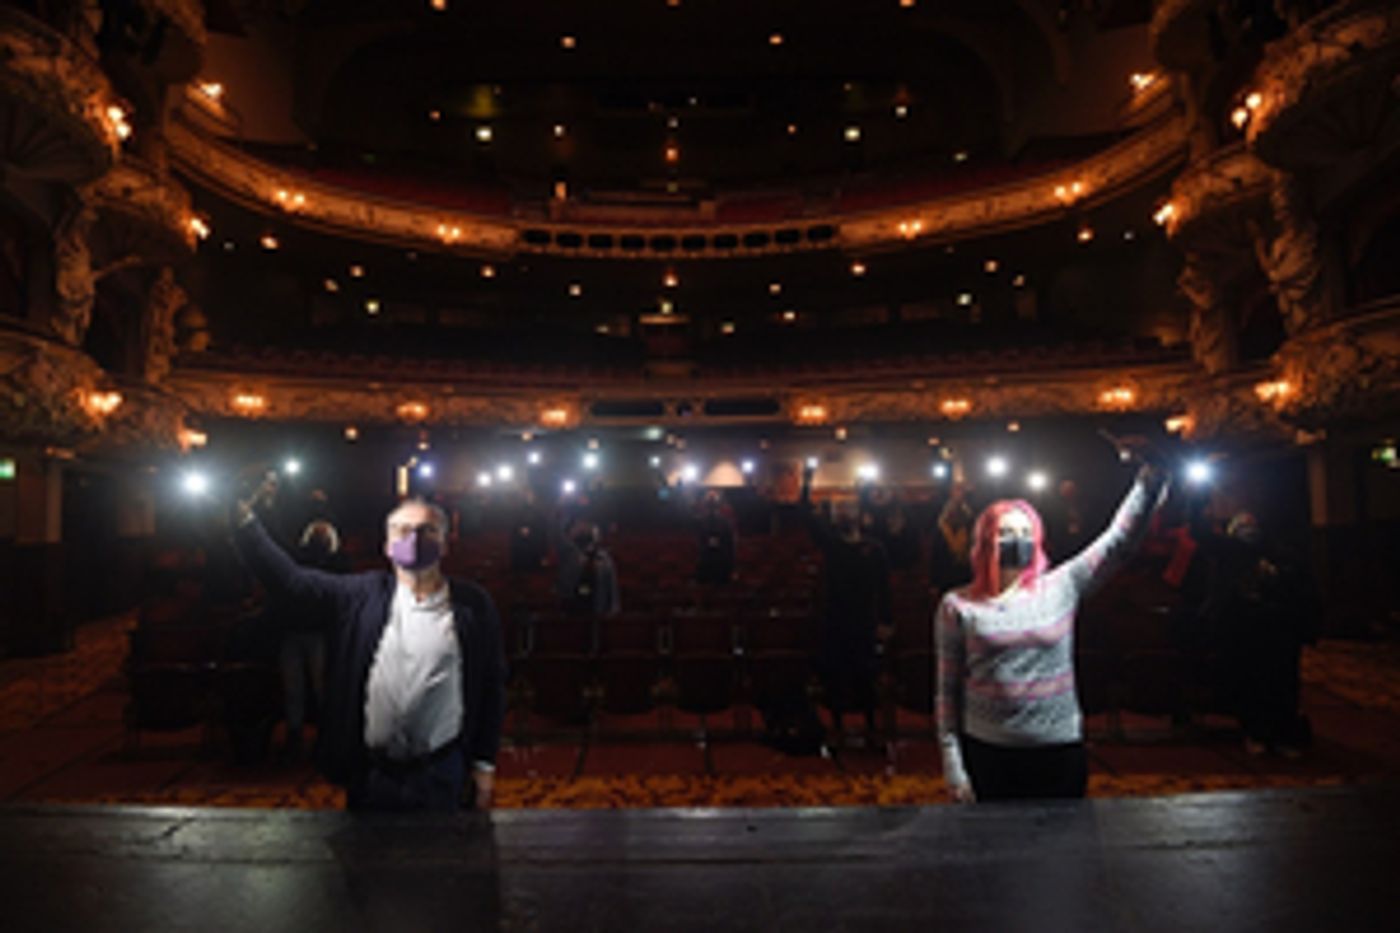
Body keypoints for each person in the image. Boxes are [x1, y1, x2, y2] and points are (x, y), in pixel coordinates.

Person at [232, 482, 505, 812]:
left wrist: (485, 763)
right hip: (371, 771)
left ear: (445, 544)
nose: (414, 538)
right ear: (388, 546)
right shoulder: (360, 594)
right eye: (403, 530)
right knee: (364, 861)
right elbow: (291, 582)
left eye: (427, 530)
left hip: (442, 769)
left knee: (440, 861)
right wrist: (245, 522)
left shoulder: (473, 604)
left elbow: (491, 684)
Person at [936, 435, 1170, 802]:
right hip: (988, 750)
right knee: (991, 855)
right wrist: (953, 766)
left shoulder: (1062, 586)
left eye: (1026, 533)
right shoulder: (957, 605)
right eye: (1007, 534)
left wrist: (1150, 479)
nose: (1018, 540)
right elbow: (946, 692)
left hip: (1058, 748)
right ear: (985, 543)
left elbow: (1119, 541)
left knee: (1063, 854)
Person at [1200, 511, 1318, 756]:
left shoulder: (1281, 555)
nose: (1249, 530)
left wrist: (1305, 628)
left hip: (1279, 630)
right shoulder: (1230, 553)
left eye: (1252, 525)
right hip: (1246, 632)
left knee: (1282, 686)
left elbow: (1303, 593)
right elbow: (1200, 534)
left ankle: (1283, 735)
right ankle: (1257, 733)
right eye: (1242, 526)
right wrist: (1197, 498)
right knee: (1252, 685)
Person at [800, 465, 894, 743]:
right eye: (841, 511)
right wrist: (807, 482)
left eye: (850, 510)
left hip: (864, 620)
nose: (846, 514)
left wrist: (886, 621)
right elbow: (806, 516)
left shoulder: (875, 548)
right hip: (836, 620)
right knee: (837, 674)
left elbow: (884, 589)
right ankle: (838, 725)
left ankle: (870, 725)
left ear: (860, 516)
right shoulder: (832, 545)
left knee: (865, 674)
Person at [277, 519, 352, 761]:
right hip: (295, 628)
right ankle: (296, 732)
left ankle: (325, 734)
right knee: (294, 687)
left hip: (318, 631)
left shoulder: (336, 562)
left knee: (320, 686)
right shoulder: (300, 560)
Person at [556, 519, 621, 617]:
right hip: (574, 614)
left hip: (599, 613)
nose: (584, 527)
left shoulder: (604, 559)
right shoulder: (569, 557)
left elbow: (611, 591)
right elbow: (567, 589)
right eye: (579, 526)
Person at [694, 490, 737, 584]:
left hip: (720, 562)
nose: (711, 505)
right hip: (707, 562)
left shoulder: (724, 522)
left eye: (712, 502)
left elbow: (731, 546)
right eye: (710, 502)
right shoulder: (701, 522)